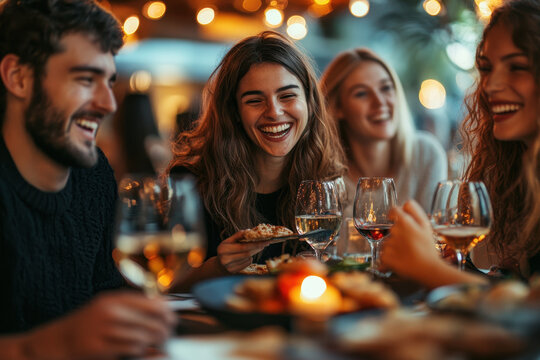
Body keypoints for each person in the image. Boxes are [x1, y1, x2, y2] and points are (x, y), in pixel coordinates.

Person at [0, 0, 176, 358]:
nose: (109, 103)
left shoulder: (94, 178)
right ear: (18, 77)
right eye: (85, 79)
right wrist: (56, 344)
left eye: (109, 81)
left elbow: (108, 294)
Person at [381, 0, 540, 287]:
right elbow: (521, 293)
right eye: (487, 68)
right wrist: (465, 271)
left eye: (517, 66)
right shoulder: (521, 173)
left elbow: (528, 317)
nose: (490, 86)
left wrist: (429, 269)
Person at [168, 31, 346, 285]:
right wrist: (218, 267)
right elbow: (164, 282)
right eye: (254, 100)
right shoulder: (190, 181)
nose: (274, 112)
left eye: (287, 96)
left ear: (309, 102)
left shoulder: (325, 179)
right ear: (235, 112)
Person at [320, 48, 448, 214]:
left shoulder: (426, 154)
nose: (380, 102)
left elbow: (434, 236)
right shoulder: (324, 174)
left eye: (386, 88)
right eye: (362, 93)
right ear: (337, 107)